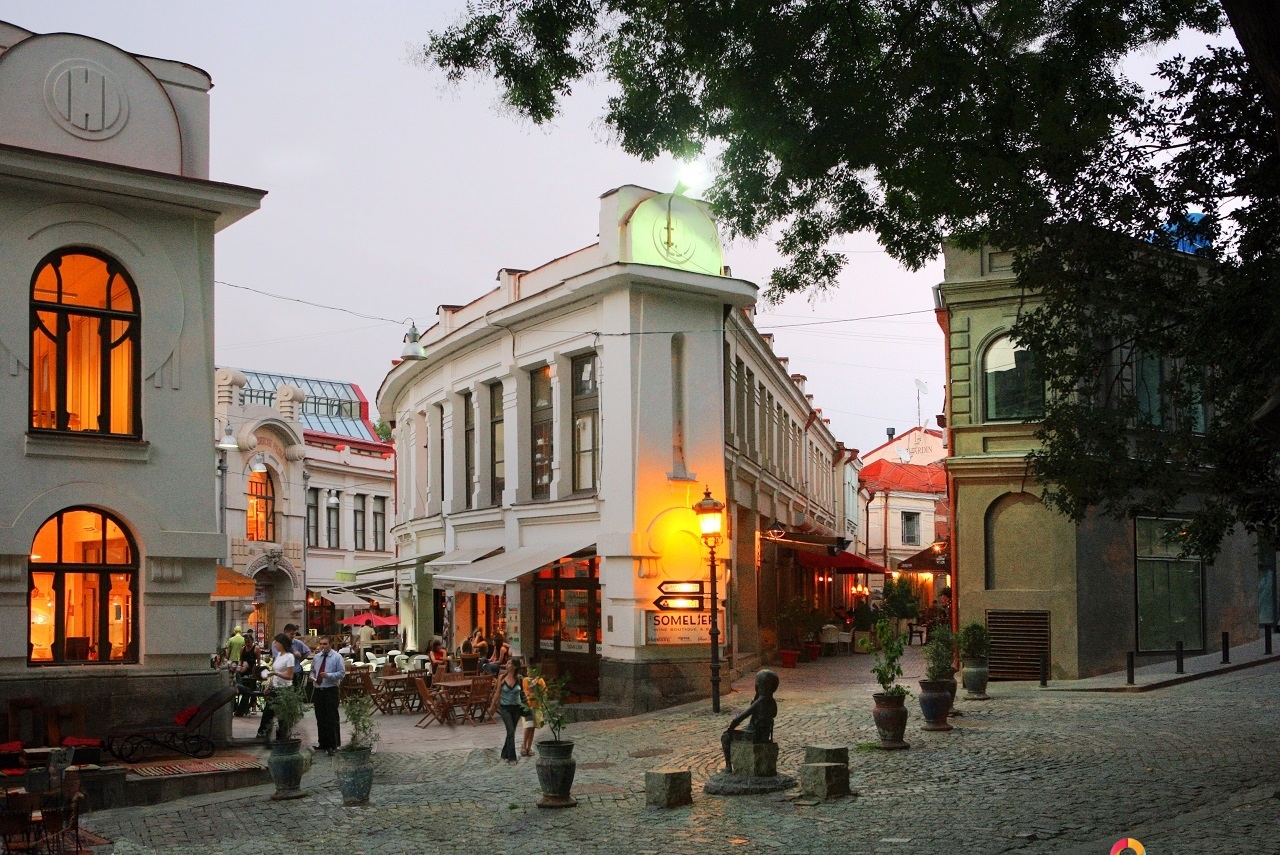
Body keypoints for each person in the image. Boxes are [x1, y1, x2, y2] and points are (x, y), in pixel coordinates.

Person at [720, 669, 780, 774]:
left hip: (755, 734)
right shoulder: (771, 701)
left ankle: (728, 766)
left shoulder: (760, 701)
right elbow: (773, 714)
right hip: (765, 734)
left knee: (725, 737)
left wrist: (732, 726)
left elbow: (740, 718)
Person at [309, 636, 345, 755]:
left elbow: (341, 673)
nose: (323, 646)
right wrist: (312, 676)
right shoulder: (317, 657)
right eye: (321, 644)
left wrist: (329, 675)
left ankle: (333, 744)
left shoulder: (336, 657)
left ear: (330, 644)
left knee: (331, 717)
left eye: (325, 644)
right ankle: (322, 743)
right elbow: (313, 670)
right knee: (320, 717)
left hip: (331, 689)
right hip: (319, 689)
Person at [256, 633, 296, 741]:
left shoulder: (289, 657)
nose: (275, 645)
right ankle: (262, 733)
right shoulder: (278, 655)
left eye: (277, 643)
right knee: (268, 712)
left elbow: (290, 676)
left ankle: (282, 736)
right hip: (275, 687)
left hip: (284, 689)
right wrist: (269, 686)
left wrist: (275, 674)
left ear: (282, 643)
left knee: (282, 715)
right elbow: (276, 671)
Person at [496, 658, 526, 764]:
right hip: (505, 708)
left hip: (517, 708)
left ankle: (504, 753)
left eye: (509, 663)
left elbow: (523, 693)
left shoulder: (519, 678)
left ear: (515, 666)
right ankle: (512, 757)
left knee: (510, 731)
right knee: (511, 730)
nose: (507, 665)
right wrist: (492, 706)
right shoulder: (502, 677)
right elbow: (497, 693)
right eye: (507, 663)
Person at [233, 636, 260, 717]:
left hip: (252, 670)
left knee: (251, 688)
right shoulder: (243, 649)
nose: (247, 644)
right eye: (246, 642)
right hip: (244, 670)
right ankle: (241, 708)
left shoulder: (256, 649)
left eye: (249, 642)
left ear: (252, 641)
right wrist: (240, 666)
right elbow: (240, 659)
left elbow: (258, 660)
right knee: (244, 689)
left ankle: (251, 706)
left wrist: (257, 671)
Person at [283, 624, 311, 690]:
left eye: (295, 634)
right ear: (285, 632)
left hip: (296, 672)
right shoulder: (280, 643)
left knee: (296, 692)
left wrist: (300, 659)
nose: (293, 636)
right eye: (291, 634)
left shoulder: (298, 643)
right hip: (283, 673)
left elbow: (307, 652)